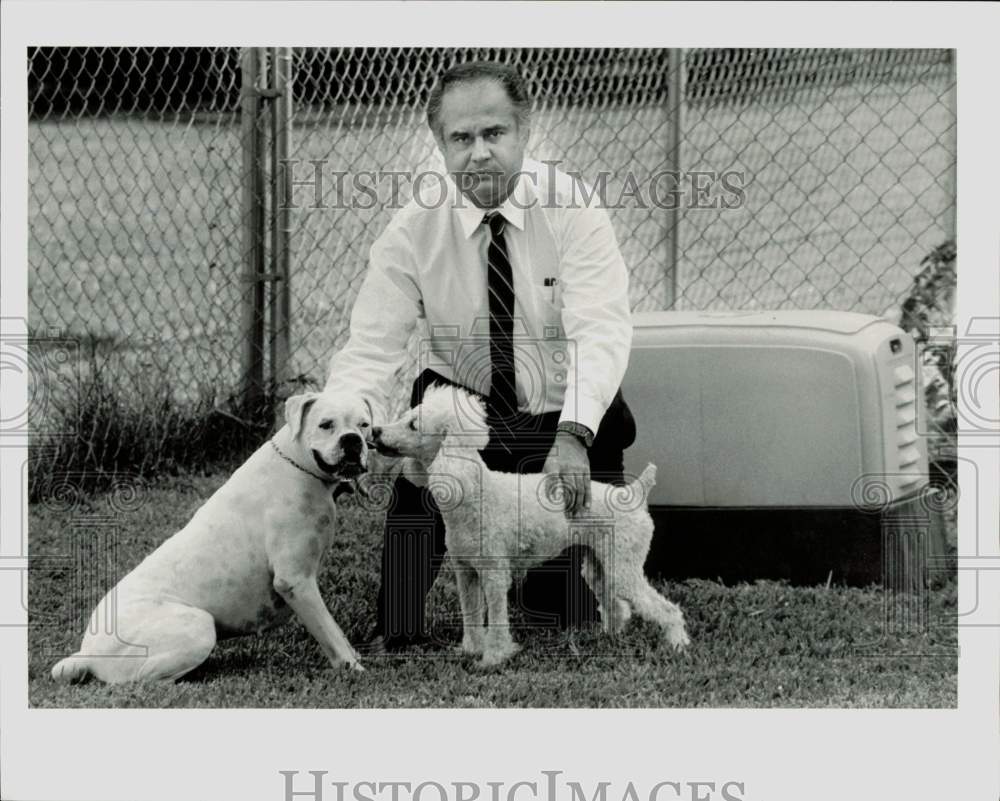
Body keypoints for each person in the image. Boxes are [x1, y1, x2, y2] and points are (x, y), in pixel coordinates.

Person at [326, 60, 636, 651]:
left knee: (558, 611)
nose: (478, 154)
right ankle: (424, 583)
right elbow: (372, 346)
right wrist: (347, 428)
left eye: (494, 134)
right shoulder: (414, 226)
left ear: (525, 131)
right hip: (458, 423)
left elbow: (601, 328)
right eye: (460, 138)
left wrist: (574, 434)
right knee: (397, 625)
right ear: (440, 143)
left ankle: (547, 578)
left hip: (560, 422)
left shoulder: (573, 207)